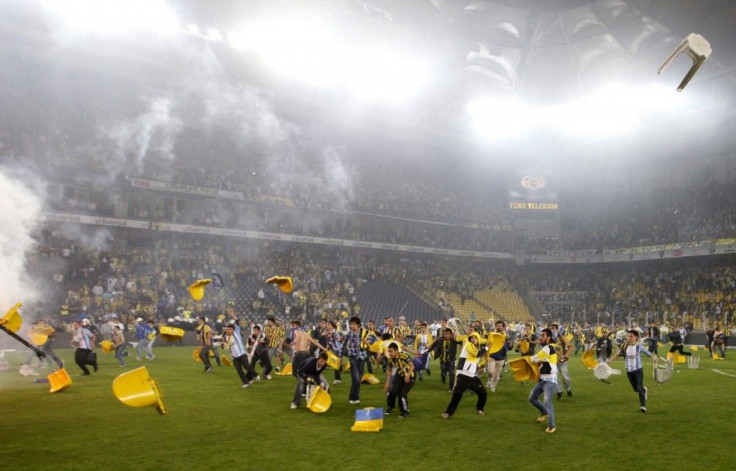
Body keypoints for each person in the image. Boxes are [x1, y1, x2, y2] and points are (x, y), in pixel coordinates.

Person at [607, 330, 657, 413]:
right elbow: (618, 355)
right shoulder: (624, 346)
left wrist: (654, 358)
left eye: (631, 336)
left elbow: (649, 354)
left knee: (639, 387)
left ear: (636, 337)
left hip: (638, 370)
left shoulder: (639, 347)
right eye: (628, 336)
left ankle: (643, 406)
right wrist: (610, 361)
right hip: (629, 371)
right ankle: (644, 390)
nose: (629, 338)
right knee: (636, 389)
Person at [441, 332, 487, 418]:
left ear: (478, 340)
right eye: (472, 338)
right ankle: (448, 413)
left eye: (475, 338)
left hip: (472, 376)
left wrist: (480, 367)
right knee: (457, 395)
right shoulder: (468, 345)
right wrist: (487, 347)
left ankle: (479, 408)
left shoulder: (476, 349)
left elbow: (476, 359)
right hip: (463, 375)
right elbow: (476, 354)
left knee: (483, 393)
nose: (473, 339)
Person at [528, 328, 557, 433]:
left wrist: (534, 359)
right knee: (532, 398)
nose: (541, 337)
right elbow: (541, 361)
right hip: (542, 379)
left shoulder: (547, 348)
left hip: (549, 380)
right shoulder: (547, 348)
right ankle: (544, 412)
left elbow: (533, 358)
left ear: (549, 337)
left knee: (547, 401)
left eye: (543, 335)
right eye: (541, 335)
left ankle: (552, 425)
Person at [221, 320, 257, 388]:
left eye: (230, 329)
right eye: (227, 329)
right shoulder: (225, 337)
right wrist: (223, 344)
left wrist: (232, 315)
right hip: (234, 357)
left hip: (242, 354)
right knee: (239, 370)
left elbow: (237, 321)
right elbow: (225, 347)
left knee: (247, 367)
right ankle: (246, 382)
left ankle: (255, 375)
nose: (228, 330)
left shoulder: (236, 332)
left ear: (233, 330)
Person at [384, 342, 415, 418]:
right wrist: (387, 382)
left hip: (410, 376)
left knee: (402, 394)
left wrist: (407, 376)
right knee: (392, 392)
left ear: (396, 351)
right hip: (400, 376)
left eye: (391, 351)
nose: (389, 353)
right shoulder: (390, 359)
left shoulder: (404, 355)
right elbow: (389, 370)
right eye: (389, 351)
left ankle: (405, 412)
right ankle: (390, 407)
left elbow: (412, 366)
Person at [344, 316, 367, 405]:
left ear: (358, 325)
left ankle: (354, 397)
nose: (351, 326)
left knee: (358, 379)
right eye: (350, 324)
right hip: (353, 357)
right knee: (356, 378)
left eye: (353, 324)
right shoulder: (349, 333)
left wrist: (367, 342)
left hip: (361, 357)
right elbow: (344, 344)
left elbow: (373, 340)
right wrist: (340, 356)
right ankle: (353, 397)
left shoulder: (364, 332)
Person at [486, 320, 511, 392]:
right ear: (495, 326)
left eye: (500, 326)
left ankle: (493, 386)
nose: (499, 327)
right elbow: (488, 343)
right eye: (498, 325)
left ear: (503, 327)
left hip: (501, 357)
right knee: (490, 371)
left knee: (497, 376)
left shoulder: (506, 335)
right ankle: (490, 379)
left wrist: (510, 344)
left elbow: (510, 346)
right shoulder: (492, 334)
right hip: (492, 356)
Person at [551, 323, 573, 399]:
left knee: (566, 378)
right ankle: (559, 392)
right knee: (554, 377)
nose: (552, 330)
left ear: (557, 329)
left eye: (553, 328)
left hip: (562, 361)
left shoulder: (562, 338)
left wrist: (567, 354)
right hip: (553, 361)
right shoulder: (550, 339)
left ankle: (568, 389)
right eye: (551, 328)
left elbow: (570, 346)